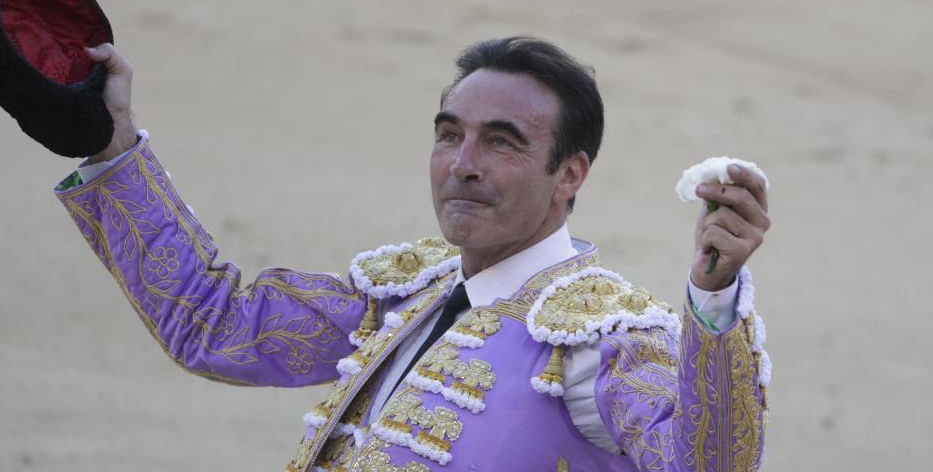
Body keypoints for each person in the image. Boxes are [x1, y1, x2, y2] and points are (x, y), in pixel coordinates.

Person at [56, 37, 771, 471]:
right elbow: (215, 327)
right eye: (448, 134)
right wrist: (111, 146)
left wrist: (712, 302)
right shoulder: (402, 297)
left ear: (571, 174)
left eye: (502, 142)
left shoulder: (600, 339)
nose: (462, 164)